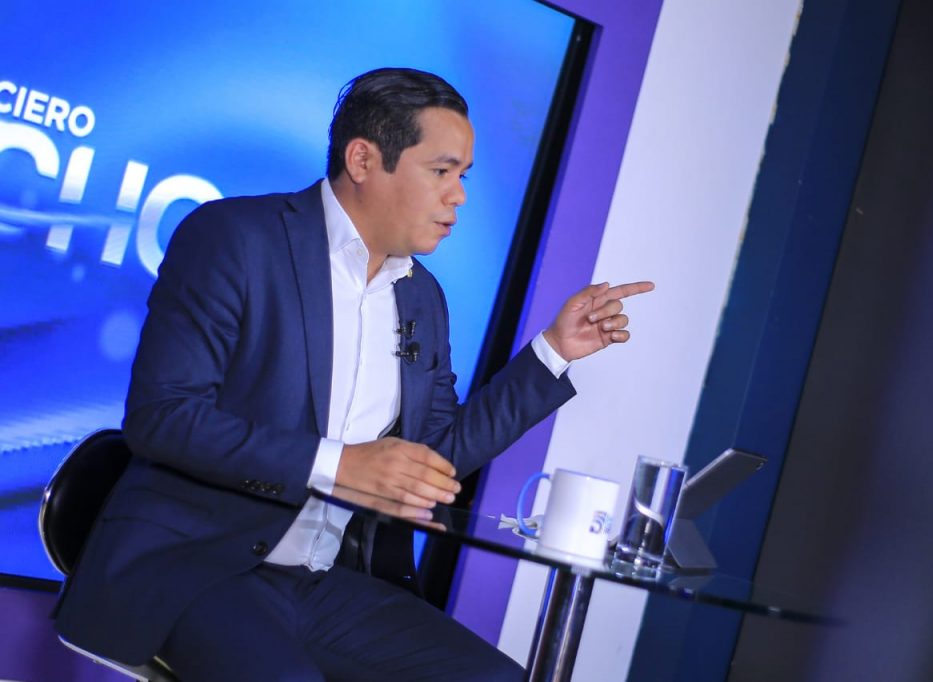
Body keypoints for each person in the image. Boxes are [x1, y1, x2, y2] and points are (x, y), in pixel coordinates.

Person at [54, 67, 653, 681]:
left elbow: (435, 458)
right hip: (198, 567)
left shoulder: (422, 296)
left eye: (464, 176)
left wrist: (553, 350)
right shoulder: (234, 238)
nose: (459, 196)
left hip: (325, 584)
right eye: (441, 171)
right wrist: (338, 466)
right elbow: (163, 418)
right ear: (363, 159)